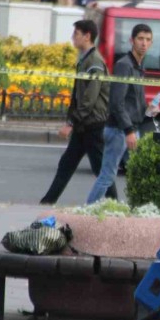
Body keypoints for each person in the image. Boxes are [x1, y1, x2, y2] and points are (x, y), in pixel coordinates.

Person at [40, 20, 113, 205]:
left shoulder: (94, 62)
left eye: (76, 34)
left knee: (101, 170)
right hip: (84, 125)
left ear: (87, 36)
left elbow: (89, 99)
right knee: (67, 164)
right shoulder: (85, 59)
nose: (73, 38)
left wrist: (70, 122)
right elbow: (78, 96)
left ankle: (118, 206)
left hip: (93, 125)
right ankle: (47, 202)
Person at [86, 24, 154, 204]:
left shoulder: (138, 66)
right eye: (140, 39)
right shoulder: (124, 65)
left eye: (148, 40)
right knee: (107, 176)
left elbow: (133, 100)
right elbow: (117, 102)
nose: (144, 43)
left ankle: (136, 208)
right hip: (120, 131)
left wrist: (148, 110)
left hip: (130, 129)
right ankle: (87, 211)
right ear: (132, 40)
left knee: (138, 173)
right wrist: (129, 131)